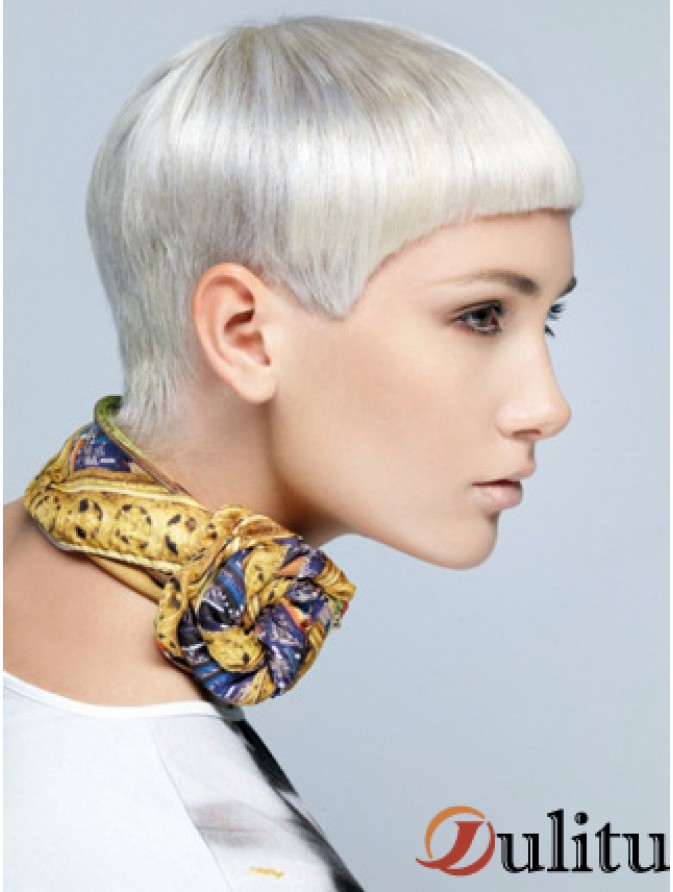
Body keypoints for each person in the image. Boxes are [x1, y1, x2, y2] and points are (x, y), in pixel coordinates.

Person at [4, 15, 581, 891]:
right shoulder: (194, 855)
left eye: (549, 319)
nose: (548, 408)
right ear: (244, 333)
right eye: (480, 315)